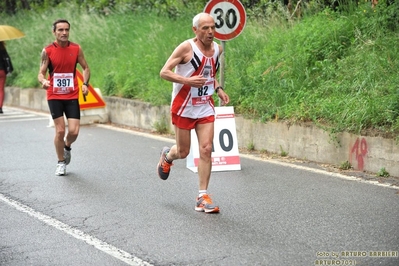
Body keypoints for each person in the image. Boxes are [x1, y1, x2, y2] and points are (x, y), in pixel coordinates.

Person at [158, 13, 230, 213]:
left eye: (213, 27)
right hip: (184, 106)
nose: (210, 32)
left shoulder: (218, 49)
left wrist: (219, 89)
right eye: (205, 28)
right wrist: (187, 81)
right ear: (195, 30)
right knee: (183, 152)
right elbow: (164, 72)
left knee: (206, 149)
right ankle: (168, 155)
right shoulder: (186, 48)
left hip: (205, 105)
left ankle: (202, 196)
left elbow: (210, 75)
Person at [38, 19, 90, 176]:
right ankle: (61, 162)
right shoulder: (47, 51)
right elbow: (41, 72)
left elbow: (86, 67)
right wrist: (43, 81)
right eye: (60, 30)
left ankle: (67, 146)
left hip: (71, 94)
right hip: (54, 95)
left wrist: (85, 83)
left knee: (74, 132)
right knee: (60, 131)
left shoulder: (76, 49)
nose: (64, 33)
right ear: (54, 32)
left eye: (66, 29)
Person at [0, 41, 13, 114]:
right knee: (1, 89)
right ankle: (0, 107)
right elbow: (7, 59)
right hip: (2, 71)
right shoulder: (2, 48)